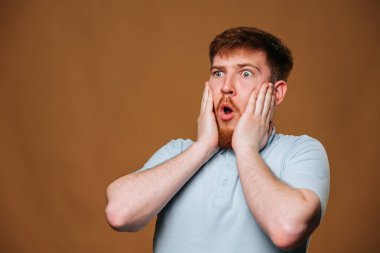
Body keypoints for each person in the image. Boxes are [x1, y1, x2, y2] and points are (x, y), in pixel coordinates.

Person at [105, 27, 330, 253]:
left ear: (276, 93)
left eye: (245, 73)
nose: (226, 87)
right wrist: (204, 147)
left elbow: (288, 229)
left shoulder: (300, 151)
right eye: (218, 73)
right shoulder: (178, 151)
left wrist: (246, 147)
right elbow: (119, 213)